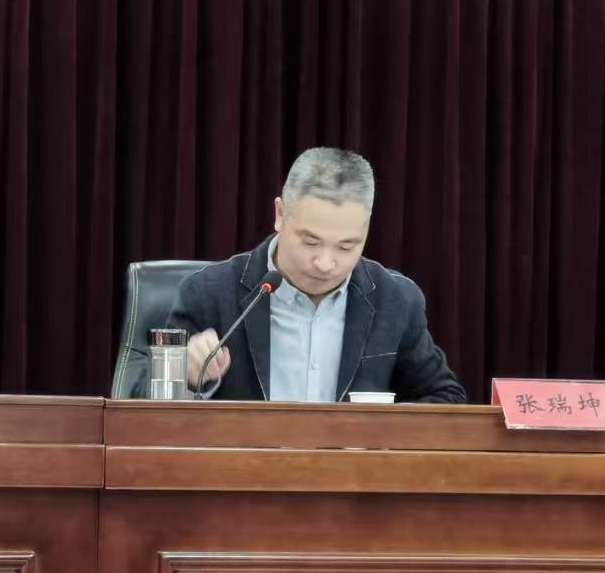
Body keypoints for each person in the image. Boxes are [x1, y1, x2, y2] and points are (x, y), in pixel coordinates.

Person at [167, 147, 467, 403]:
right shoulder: (208, 293)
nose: (325, 264)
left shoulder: (395, 299)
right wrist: (184, 375)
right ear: (280, 214)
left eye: (346, 246)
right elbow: (146, 398)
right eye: (310, 242)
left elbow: (446, 397)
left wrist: (381, 429)